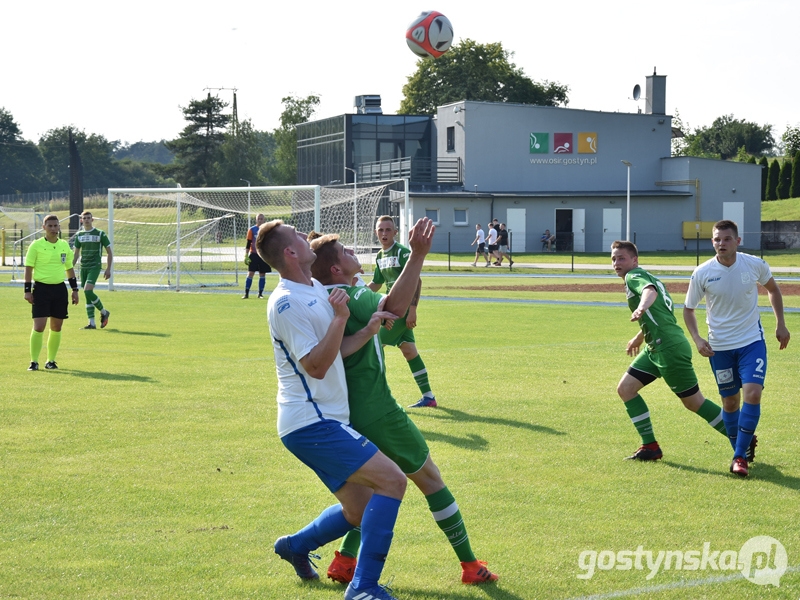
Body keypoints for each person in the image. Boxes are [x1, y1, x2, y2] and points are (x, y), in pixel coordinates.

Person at [310, 231, 498, 587]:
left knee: (368, 493)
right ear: (336, 268)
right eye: (346, 251)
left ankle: (345, 560)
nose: (354, 250)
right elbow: (394, 308)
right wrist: (419, 254)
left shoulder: (326, 297)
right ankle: (471, 566)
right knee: (431, 480)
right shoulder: (352, 295)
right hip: (378, 412)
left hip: (345, 414)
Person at [256, 218, 408, 600]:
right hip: (311, 422)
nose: (306, 238)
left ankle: (294, 546)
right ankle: (363, 588)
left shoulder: (314, 290)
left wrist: (366, 331)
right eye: (297, 236)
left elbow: (334, 352)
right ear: (291, 253)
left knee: (360, 510)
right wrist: (341, 318)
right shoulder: (286, 302)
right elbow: (316, 366)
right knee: (392, 481)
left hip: (320, 422)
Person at [683, 220, 790, 477]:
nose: (721, 244)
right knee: (730, 402)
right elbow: (688, 309)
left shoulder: (754, 264)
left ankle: (739, 456)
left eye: (727, 239)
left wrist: (781, 324)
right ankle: (740, 449)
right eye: (717, 240)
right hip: (719, 348)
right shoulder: (702, 272)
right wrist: (698, 339)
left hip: (751, 342)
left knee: (752, 394)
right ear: (712, 242)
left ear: (737, 241)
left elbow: (773, 289)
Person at [611, 240, 731, 461]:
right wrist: (639, 336)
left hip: (669, 349)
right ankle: (650, 447)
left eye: (621, 258)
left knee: (694, 403)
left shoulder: (634, 277)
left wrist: (641, 307)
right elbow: (663, 314)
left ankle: (742, 438)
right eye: (613, 259)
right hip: (655, 347)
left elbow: (649, 292)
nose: (616, 263)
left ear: (634, 260)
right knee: (626, 389)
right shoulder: (649, 276)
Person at [369, 216, 438, 408]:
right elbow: (376, 283)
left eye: (388, 230)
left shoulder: (403, 252)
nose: (384, 233)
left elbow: (417, 280)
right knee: (409, 351)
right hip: (391, 307)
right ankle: (429, 397)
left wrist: (413, 310)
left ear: (395, 232)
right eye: (380, 230)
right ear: (376, 232)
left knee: (372, 346)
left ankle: (377, 398)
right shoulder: (379, 256)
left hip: (400, 310)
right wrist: (357, 294)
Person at [23, 215, 80, 370]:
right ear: (44, 227)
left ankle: (51, 361)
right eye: (50, 226)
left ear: (59, 227)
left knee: (56, 327)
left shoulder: (63, 245)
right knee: (39, 326)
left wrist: (75, 290)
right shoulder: (36, 245)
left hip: (59, 289)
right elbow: (28, 268)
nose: (53, 229)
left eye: (56, 226)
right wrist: (27, 291)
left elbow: (69, 269)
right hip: (41, 289)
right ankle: (34, 361)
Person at [72, 211, 112, 329]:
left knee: (88, 291)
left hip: (95, 266)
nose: (87, 220)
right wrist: (70, 268)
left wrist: (108, 269)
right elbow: (76, 254)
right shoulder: (79, 235)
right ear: (81, 220)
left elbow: (109, 252)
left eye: (89, 218)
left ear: (92, 219)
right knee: (87, 294)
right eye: (84, 218)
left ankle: (104, 312)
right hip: (83, 267)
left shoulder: (100, 234)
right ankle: (92, 323)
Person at [242, 213, 271, 299]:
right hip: (254, 254)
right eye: (259, 218)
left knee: (262, 274)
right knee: (250, 273)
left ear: (264, 220)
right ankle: (246, 293)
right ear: (256, 219)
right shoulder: (252, 230)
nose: (260, 220)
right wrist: (246, 255)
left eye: (262, 218)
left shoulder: (267, 230)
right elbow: (248, 243)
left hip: (262, 254)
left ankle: (260, 294)